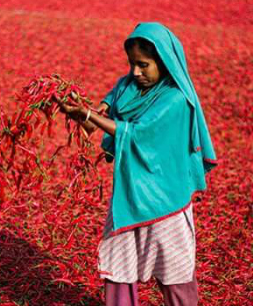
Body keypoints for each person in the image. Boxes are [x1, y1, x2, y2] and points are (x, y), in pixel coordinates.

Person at [57, 22, 217, 306]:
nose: (135, 72)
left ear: (164, 62)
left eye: (143, 65)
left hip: (165, 200)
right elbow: (95, 121)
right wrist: (75, 110)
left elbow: (138, 133)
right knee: (120, 266)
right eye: (132, 64)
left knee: (175, 271)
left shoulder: (176, 99)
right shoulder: (126, 87)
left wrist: (92, 117)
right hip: (129, 196)